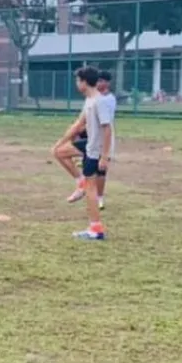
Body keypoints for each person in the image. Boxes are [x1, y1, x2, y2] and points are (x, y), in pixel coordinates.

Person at [52, 66, 113, 241]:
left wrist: (104, 156)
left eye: (78, 80)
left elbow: (107, 129)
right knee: (59, 152)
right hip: (89, 146)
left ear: (85, 82)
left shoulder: (99, 102)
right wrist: (60, 143)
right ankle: (80, 183)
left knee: (91, 190)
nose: (77, 84)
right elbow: (78, 124)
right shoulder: (89, 100)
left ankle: (95, 230)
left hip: (96, 150)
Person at [93, 70, 116, 210]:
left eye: (101, 81)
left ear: (107, 83)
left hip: (104, 137)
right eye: (97, 80)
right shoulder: (95, 97)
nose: (98, 83)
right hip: (93, 136)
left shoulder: (108, 99)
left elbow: (105, 124)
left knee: (101, 169)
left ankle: (99, 198)